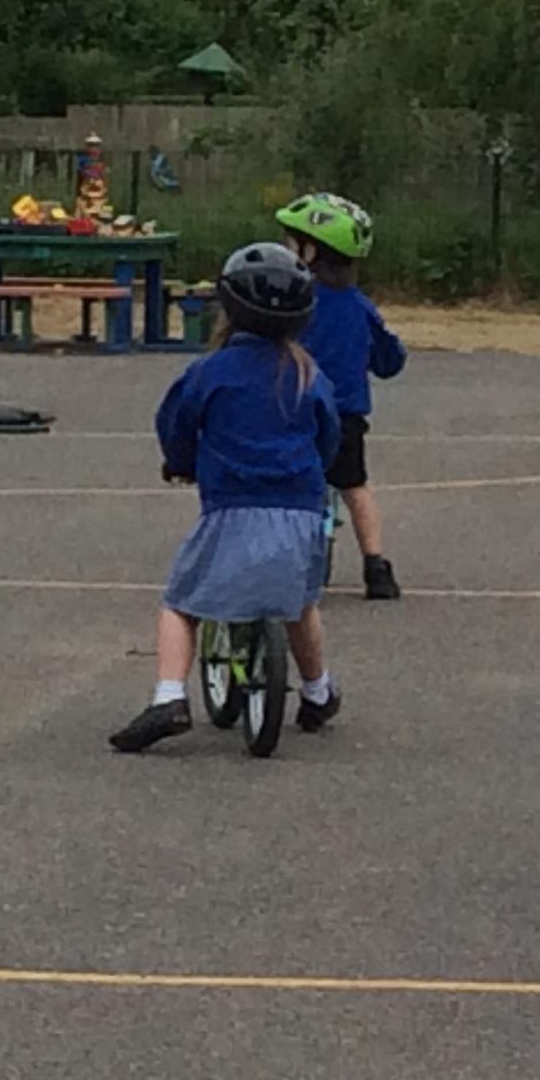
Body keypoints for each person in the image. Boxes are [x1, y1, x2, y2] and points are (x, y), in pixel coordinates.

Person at [112, 244, 345, 754]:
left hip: (232, 506)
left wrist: (180, 462)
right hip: (300, 510)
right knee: (300, 603)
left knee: (181, 603)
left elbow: (176, 423)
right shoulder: (309, 374)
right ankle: (317, 690)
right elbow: (330, 435)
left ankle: (169, 696)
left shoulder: (210, 371)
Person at [275, 191, 407, 599]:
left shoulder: (293, 303)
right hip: (345, 415)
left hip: (295, 410)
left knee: (284, 481)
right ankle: (376, 566)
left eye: (290, 242)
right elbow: (390, 360)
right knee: (355, 486)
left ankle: (281, 556)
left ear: (310, 252)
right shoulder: (360, 307)